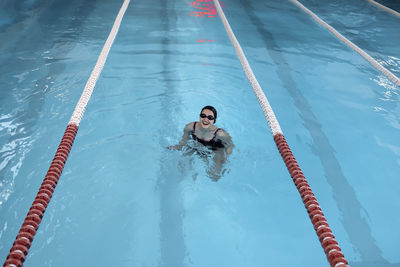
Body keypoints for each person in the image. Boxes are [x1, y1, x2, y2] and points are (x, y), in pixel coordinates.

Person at [168, 106, 234, 179]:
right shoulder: (190, 127)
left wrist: (225, 158)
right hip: (197, 147)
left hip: (215, 150)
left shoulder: (220, 133)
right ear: (199, 116)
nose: (206, 119)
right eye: (203, 116)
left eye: (210, 117)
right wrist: (176, 147)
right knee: (182, 166)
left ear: (214, 121)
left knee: (214, 176)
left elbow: (230, 146)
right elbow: (184, 141)